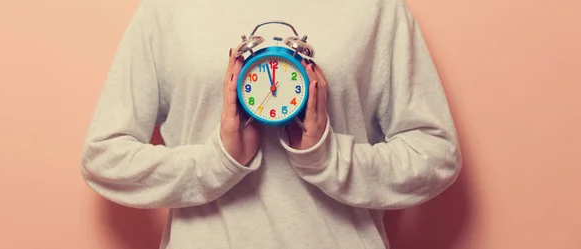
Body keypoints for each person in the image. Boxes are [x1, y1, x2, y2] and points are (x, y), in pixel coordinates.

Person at [80, 0, 462, 248]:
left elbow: (436, 154)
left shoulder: (376, 8)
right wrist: (216, 163)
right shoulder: (166, 10)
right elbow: (105, 156)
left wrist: (328, 158)